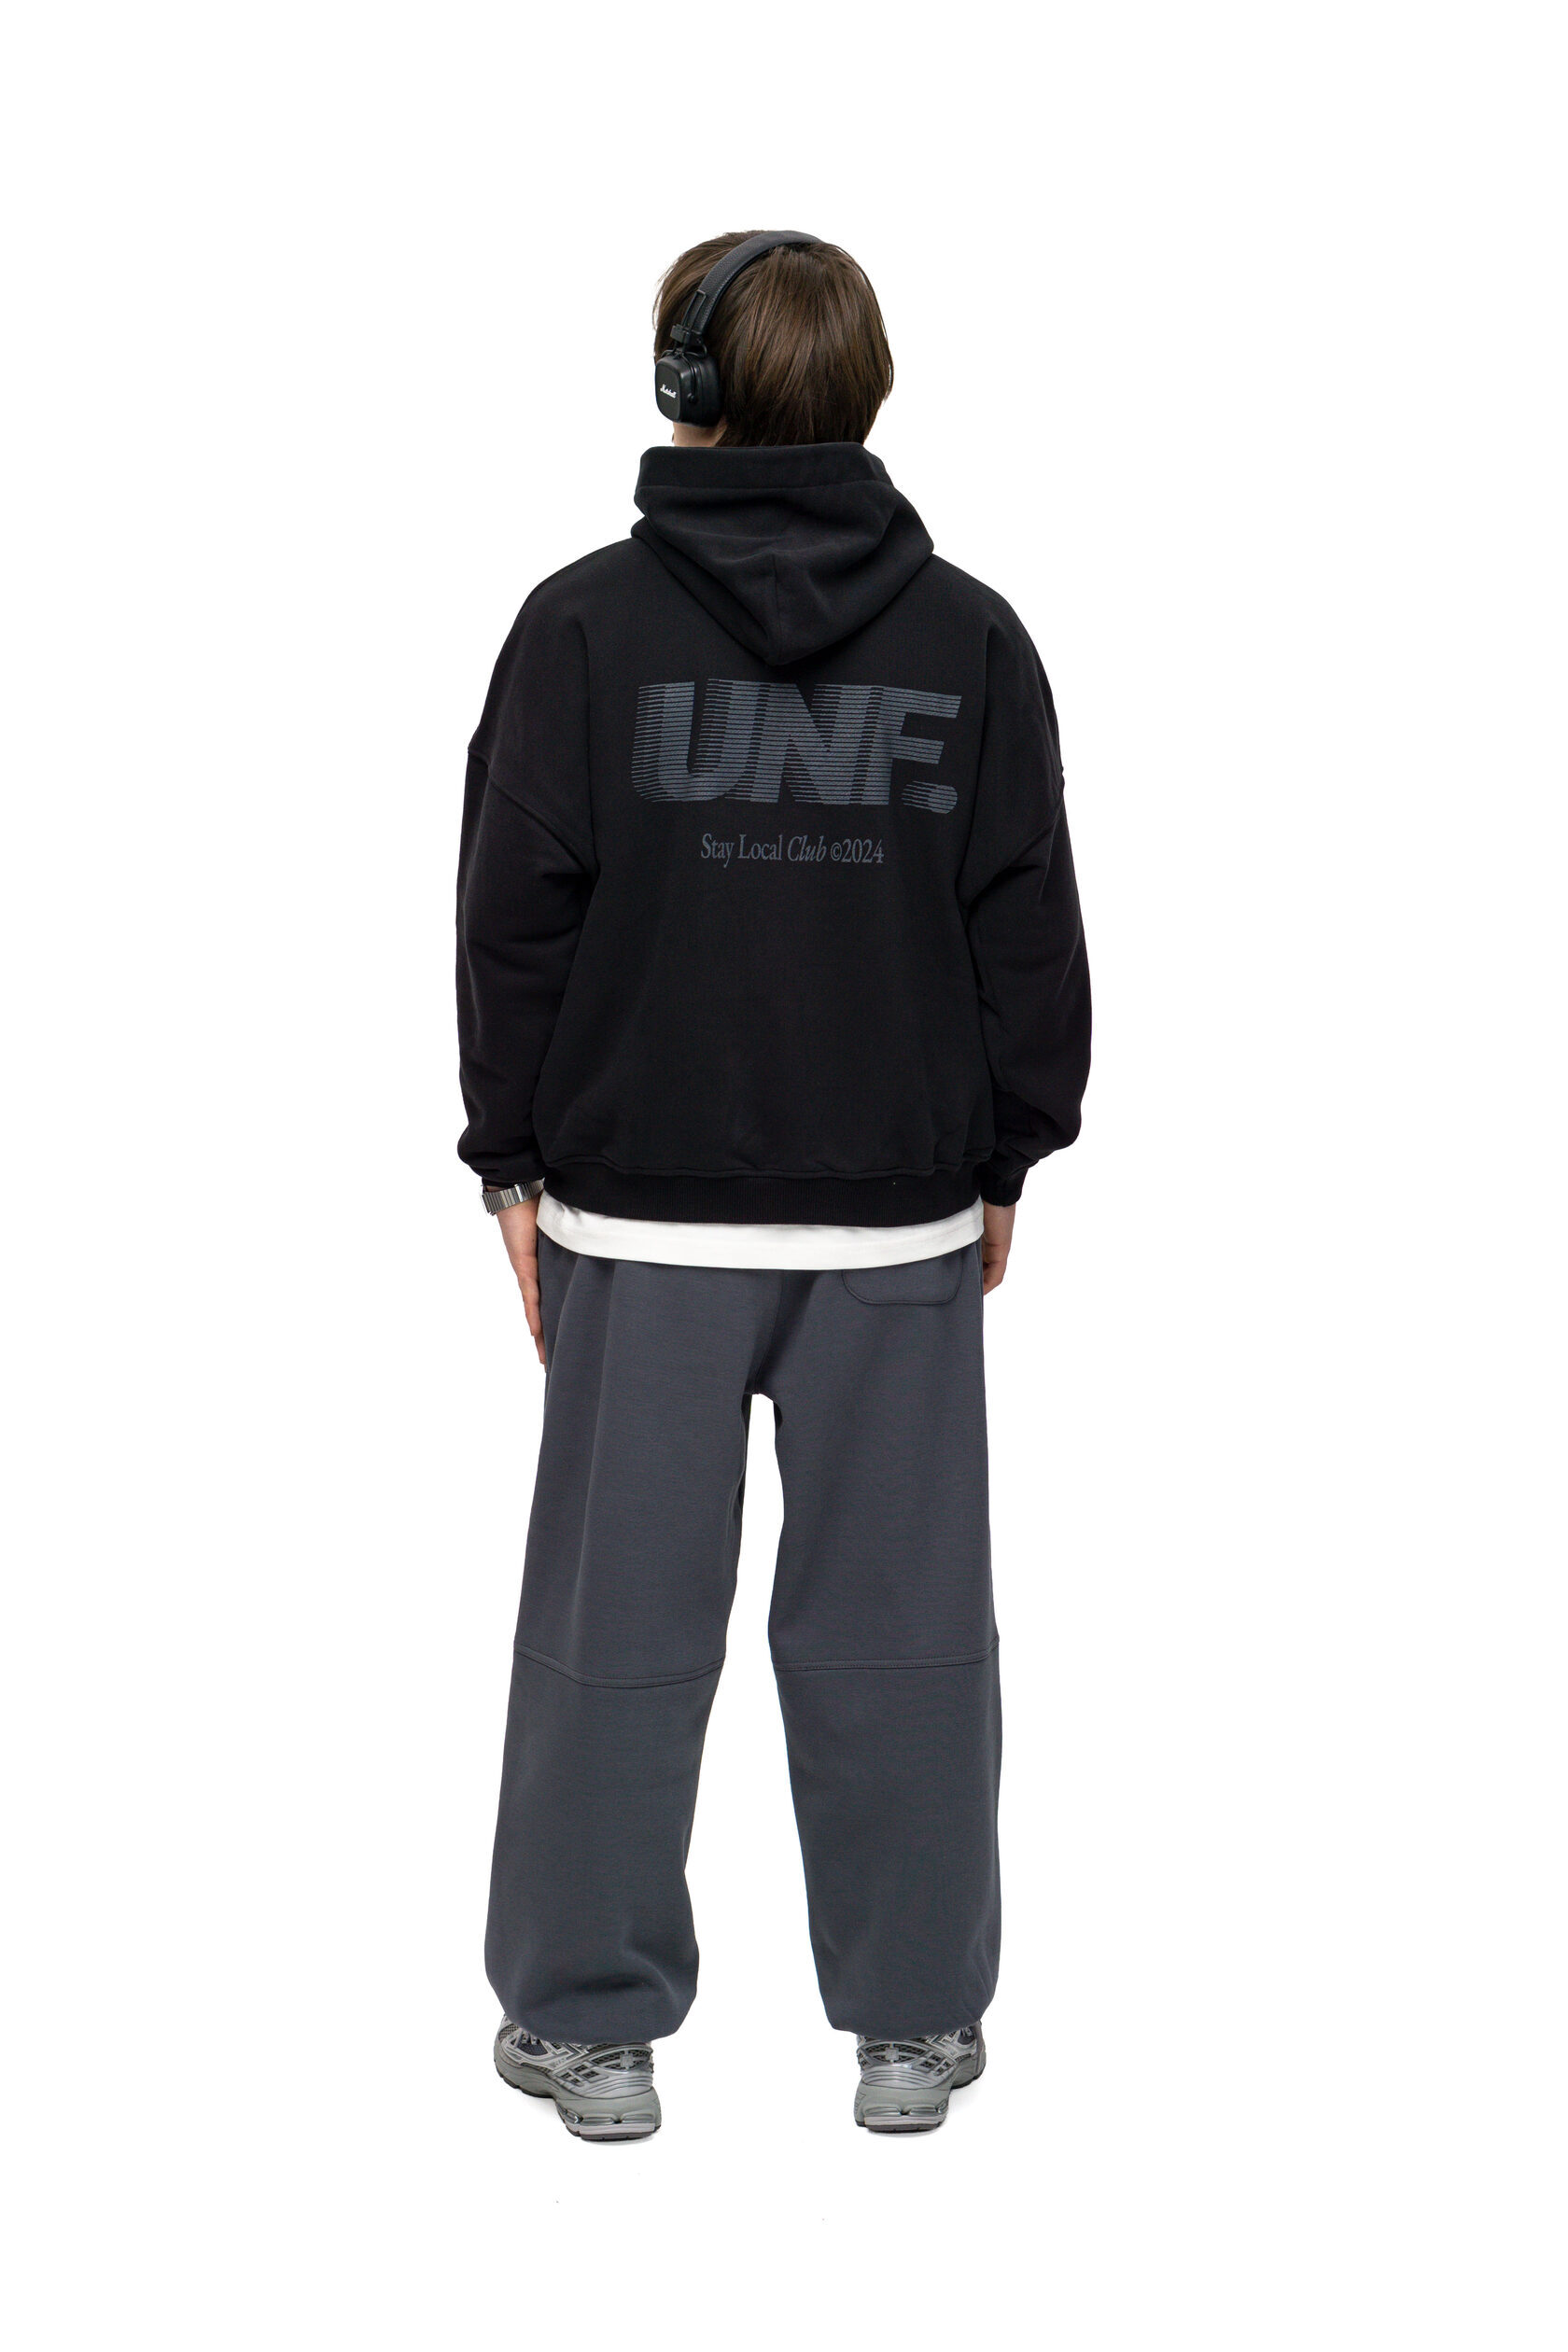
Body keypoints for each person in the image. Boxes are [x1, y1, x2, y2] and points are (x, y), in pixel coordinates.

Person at [456, 231, 1090, 2140]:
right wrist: (1008, 1152)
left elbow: (513, 918)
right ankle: (914, 2029)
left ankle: (589, 2029)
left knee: (616, 1637)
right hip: (897, 1218)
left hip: (637, 1218)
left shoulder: (578, 629)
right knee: (905, 1635)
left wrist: (510, 1165)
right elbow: (1024, 920)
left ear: (684, 386)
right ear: (867, 389)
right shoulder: (973, 637)